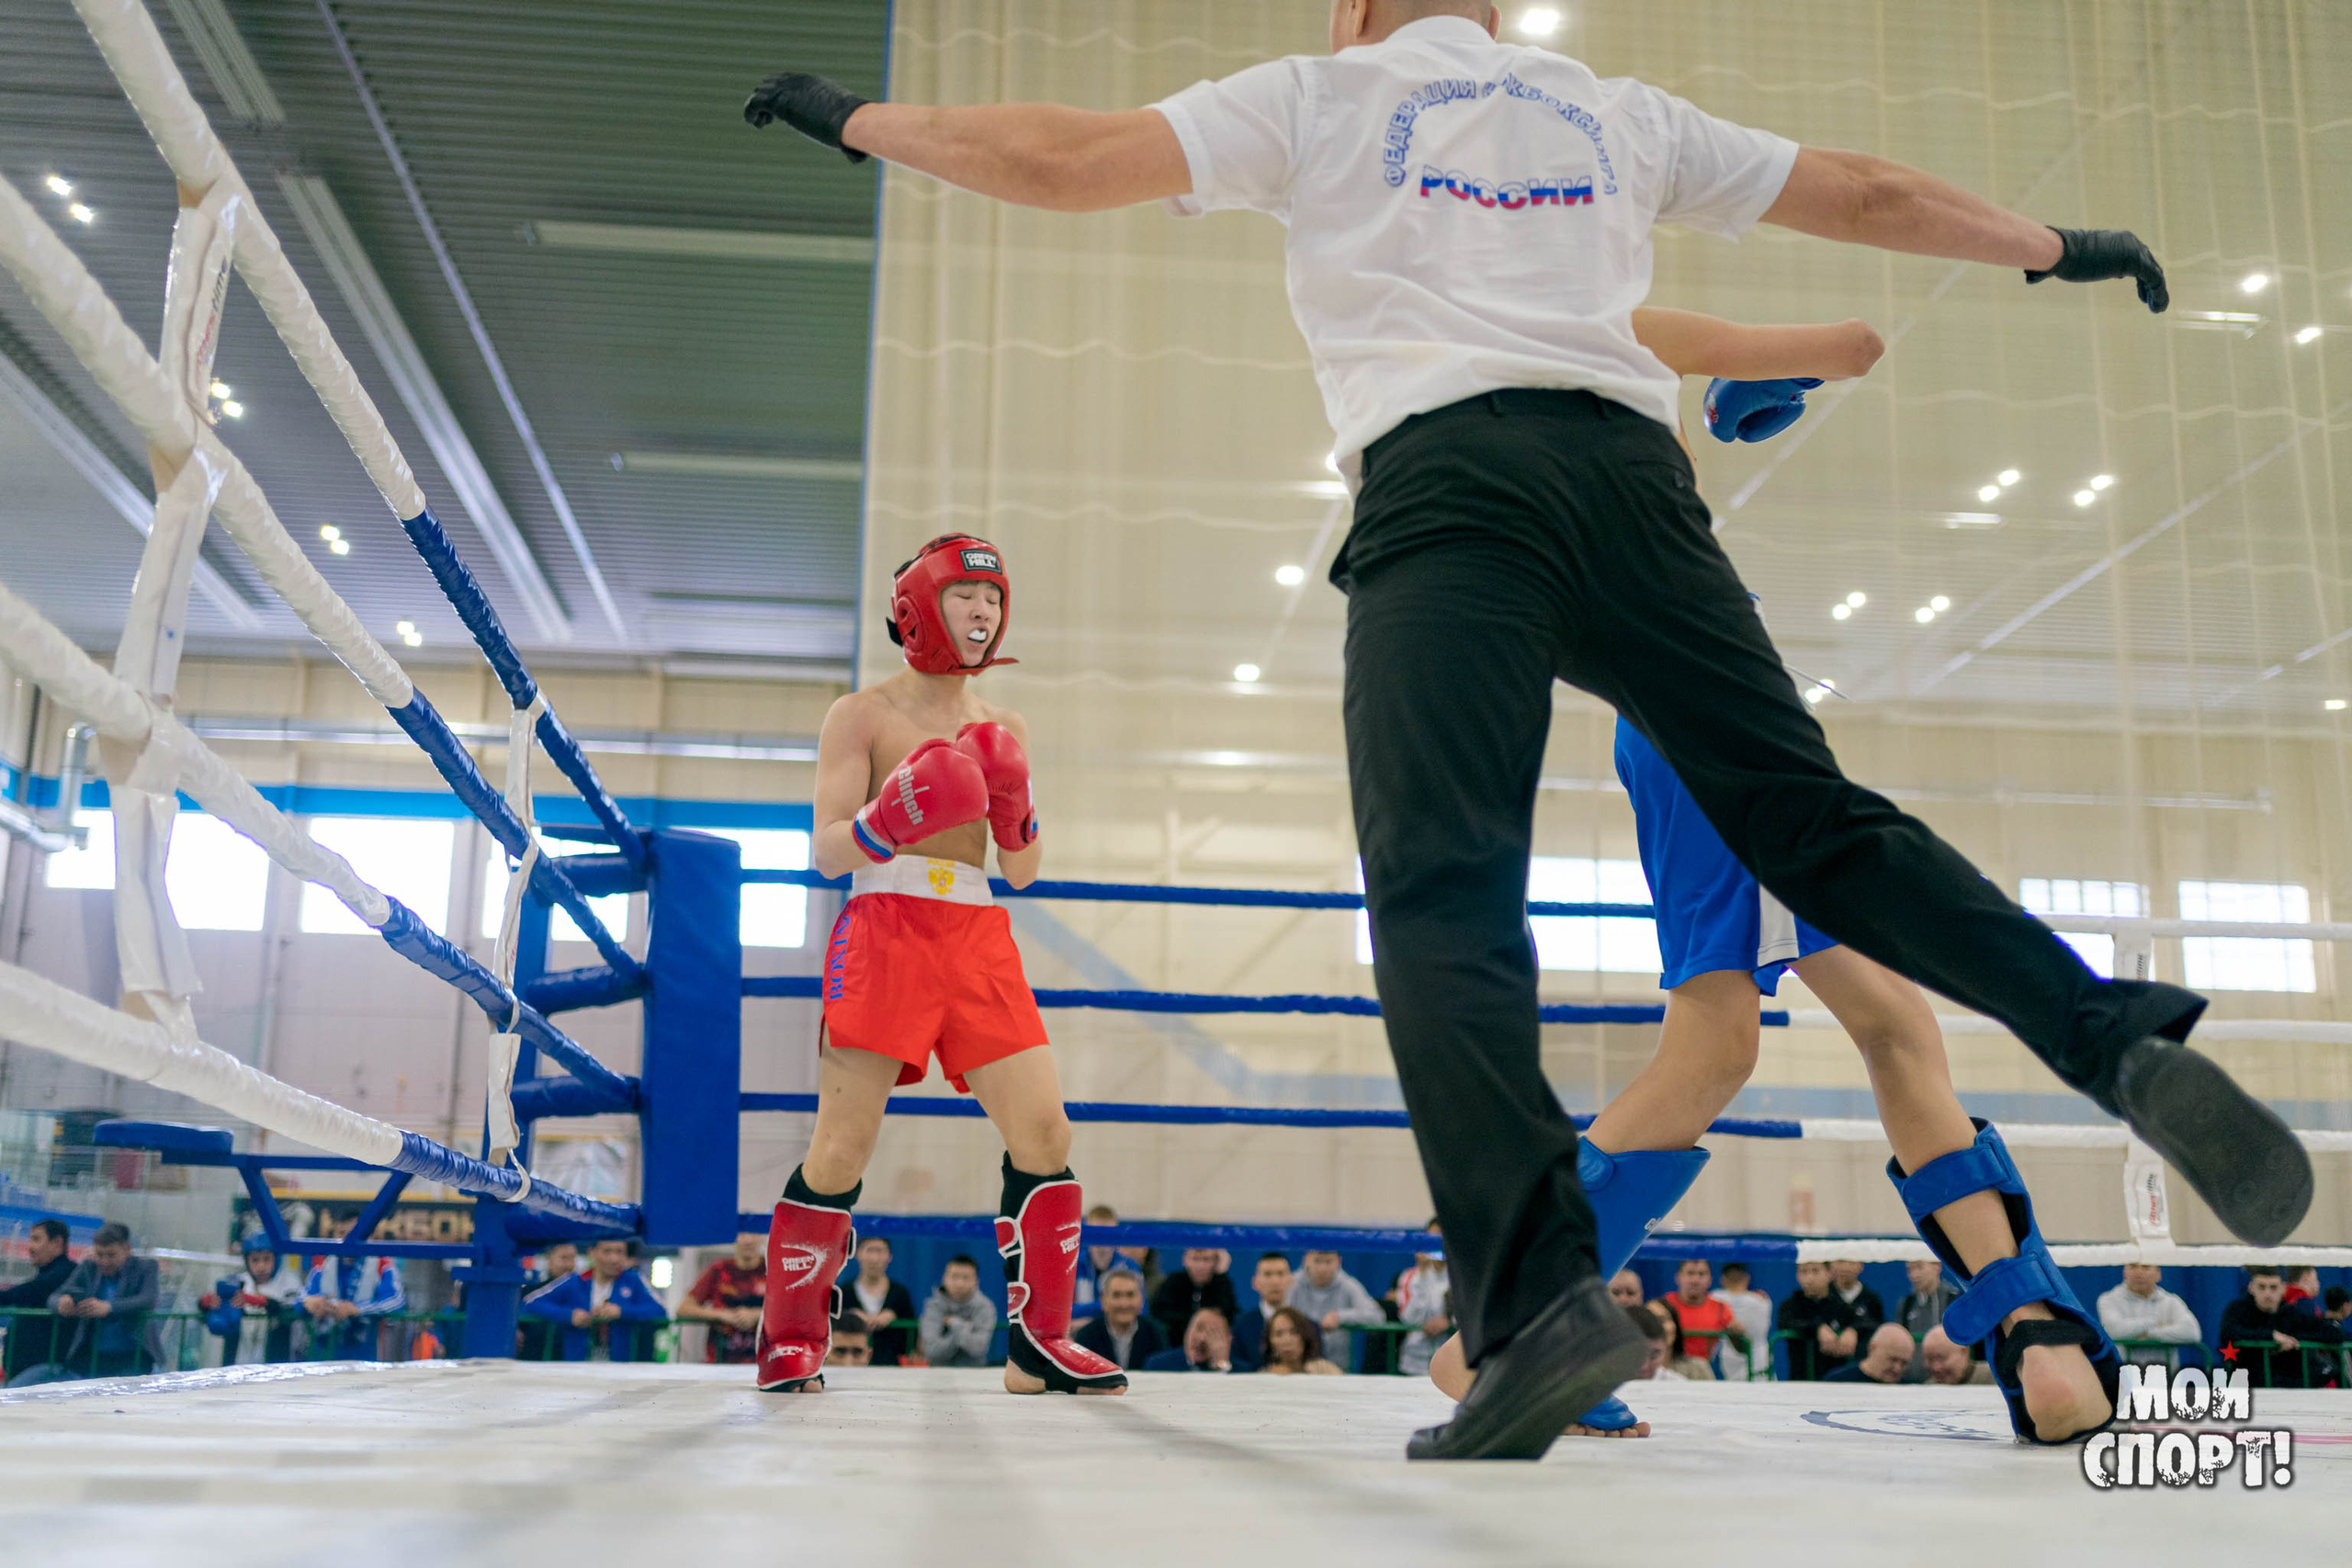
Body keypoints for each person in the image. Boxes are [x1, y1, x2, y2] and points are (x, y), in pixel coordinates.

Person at [743, 0, 2311, 1461]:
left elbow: (1059, 159)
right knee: (1815, 819)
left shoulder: (1323, 95)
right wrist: (2051, 243)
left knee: (1445, 890)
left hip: (1451, 496)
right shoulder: (1609, 112)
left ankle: (1538, 1304)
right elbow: (1869, 190)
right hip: (1632, 485)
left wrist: (861, 118)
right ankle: (2112, 1038)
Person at [752, 536, 1123, 1399]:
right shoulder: (862, 714)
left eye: (994, 600)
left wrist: (1015, 805)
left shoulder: (1006, 727)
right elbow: (825, 851)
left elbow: (1022, 871)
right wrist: (891, 816)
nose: (984, 612)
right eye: (964, 597)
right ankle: (793, 1335)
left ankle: (1038, 1347)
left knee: (1045, 1134)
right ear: (919, 607)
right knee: (843, 1145)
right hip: (884, 920)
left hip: (977, 929)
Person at [516, 1237, 667, 1362]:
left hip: (622, 1368)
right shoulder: (574, 1281)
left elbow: (660, 1311)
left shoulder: (634, 1281)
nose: (614, 1258)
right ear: (592, 1253)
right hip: (577, 1367)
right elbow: (530, 1303)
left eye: (620, 1252)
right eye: (607, 1251)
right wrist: (569, 1315)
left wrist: (622, 1312)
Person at [49, 1223, 161, 1379]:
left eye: (111, 1255)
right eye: (100, 1255)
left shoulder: (146, 1267)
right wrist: (61, 1303)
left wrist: (109, 1308)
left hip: (133, 1358)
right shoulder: (88, 1268)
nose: (104, 1261)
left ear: (127, 1249)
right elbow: (54, 1297)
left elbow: (148, 1299)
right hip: (91, 1358)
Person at [2217, 1266, 2346, 1390]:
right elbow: (2228, 1333)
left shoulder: (2291, 1313)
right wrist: (2272, 1337)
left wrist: (2293, 1340)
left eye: (2273, 1288)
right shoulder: (2237, 1310)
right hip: (2247, 1386)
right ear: (2251, 1288)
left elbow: (2334, 1333)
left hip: (2288, 1389)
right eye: (2262, 1287)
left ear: (2283, 1289)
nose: (2267, 1293)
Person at [199, 1241, 302, 1366]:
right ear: (247, 1261)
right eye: (255, 1260)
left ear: (276, 1259)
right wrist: (206, 1304)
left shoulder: (290, 1283)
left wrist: (259, 1301)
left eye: (267, 1259)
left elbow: (290, 1310)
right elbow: (216, 1319)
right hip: (239, 1358)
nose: (261, 1266)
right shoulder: (237, 1282)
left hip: (276, 1358)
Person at [1, 1217, 75, 1383]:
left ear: (57, 1243)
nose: (31, 1247)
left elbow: (28, 1291)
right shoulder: (48, 1274)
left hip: (45, 1368)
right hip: (27, 1367)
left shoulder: (65, 1274)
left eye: (36, 1239)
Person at [1286, 1250, 1385, 1372]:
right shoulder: (1291, 1283)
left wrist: (1340, 1317)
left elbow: (1377, 1316)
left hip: (1338, 1369)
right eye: (1317, 1261)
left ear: (1339, 1262)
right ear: (1305, 1261)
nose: (1322, 1268)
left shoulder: (1348, 1285)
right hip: (1297, 1368)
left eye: (1328, 1262)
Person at [677, 1232, 767, 1366]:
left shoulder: (773, 1270)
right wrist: (722, 1315)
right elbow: (683, 1309)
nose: (748, 1241)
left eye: (754, 1234)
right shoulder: (719, 1270)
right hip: (719, 1361)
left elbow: (791, 1312)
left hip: (765, 1362)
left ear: (762, 1237)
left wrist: (758, 1315)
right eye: (742, 1235)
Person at [302, 1248, 406, 1360]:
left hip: (365, 1353)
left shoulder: (381, 1266)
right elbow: (301, 1299)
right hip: (325, 1353)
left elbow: (396, 1302)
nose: (347, 1237)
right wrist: (309, 1302)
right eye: (341, 1233)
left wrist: (358, 1309)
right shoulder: (323, 1266)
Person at [2094, 1263, 2203, 1370]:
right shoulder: (2108, 1300)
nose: (2138, 1273)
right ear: (2124, 1272)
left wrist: (2151, 1334)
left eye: (2146, 1267)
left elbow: (2192, 1332)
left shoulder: (2171, 1301)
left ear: (2158, 1274)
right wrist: (2155, 1323)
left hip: (2165, 1382)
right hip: (2123, 1380)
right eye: (2133, 1267)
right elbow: (2114, 1331)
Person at [1657, 1259, 1747, 1379]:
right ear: (1678, 1277)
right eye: (1690, 1273)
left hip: (1701, 1371)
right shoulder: (1663, 1305)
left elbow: (1742, 1349)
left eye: (1701, 1274)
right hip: (1667, 1369)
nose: (1695, 1280)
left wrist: (1737, 1333)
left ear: (1710, 1279)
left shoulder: (1721, 1308)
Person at [1776, 1261, 1864, 1381]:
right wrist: (1818, 1329)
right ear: (1797, 1275)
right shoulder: (1790, 1305)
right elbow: (1785, 1323)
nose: (1809, 1278)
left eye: (1815, 1271)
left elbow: (1867, 1322)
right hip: (1802, 1381)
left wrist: (1853, 1330)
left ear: (1830, 1273)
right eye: (1804, 1272)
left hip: (1837, 1382)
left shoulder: (1840, 1305)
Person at [841, 1235, 916, 1366]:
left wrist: (894, 1316)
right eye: (870, 1251)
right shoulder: (843, 1292)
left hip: (890, 1366)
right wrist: (850, 1317)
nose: (874, 1259)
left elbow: (912, 1338)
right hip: (850, 1366)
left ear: (889, 1257)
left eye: (880, 1251)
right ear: (857, 1254)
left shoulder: (900, 1293)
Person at [1073, 1268, 1167, 1371]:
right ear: (1104, 1301)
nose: (1124, 1304)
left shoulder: (1156, 1332)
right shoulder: (1086, 1336)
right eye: (1116, 1295)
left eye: (1130, 1295)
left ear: (1141, 1300)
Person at [918, 1255, 999, 1369]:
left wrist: (954, 1324)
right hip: (937, 1374)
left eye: (966, 1278)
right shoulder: (933, 1306)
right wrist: (966, 1329)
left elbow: (979, 1348)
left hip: (975, 1374)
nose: (960, 1283)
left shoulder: (985, 1307)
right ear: (944, 1278)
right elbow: (931, 1351)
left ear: (976, 1281)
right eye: (954, 1277)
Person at [1150, 1248, 1238, 1345]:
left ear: (1215, 1263)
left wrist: (1221, 1276)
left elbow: (1228, 1314)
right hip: (1175, 1344)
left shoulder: (1221, 1285)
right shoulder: (1173, 1282)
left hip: (1212, 1345)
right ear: (1185, 1260)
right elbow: (1160, 1313)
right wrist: (1195, 1323)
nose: (1200, 1266)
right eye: (1195, 1259)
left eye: (1206, 1259)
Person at [1395, 1225, 1450, 1379]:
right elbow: (1409, 1318)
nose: (1436, 1244)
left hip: (1450, 1361)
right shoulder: (1410, 1277)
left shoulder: (1461, 1277)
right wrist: (1423, 1275)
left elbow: (1470, 1313)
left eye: (1440, 1239)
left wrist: (1449, 1322)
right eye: (1432, 1239)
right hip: (1414, 1362)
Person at [1229, 1252, 1293, 1374]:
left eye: (1280, 1274)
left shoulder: (1307, 1326)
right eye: (1267, 1274)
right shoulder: (1241, 1327)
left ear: (1290, 1280)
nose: (1275, 1281)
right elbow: (1235, 1365)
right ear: (1255, 1282)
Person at [1711, 1262, 1773, 1382]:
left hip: (1735, 1363)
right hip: (1760, 1365)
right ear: (1747, 1279)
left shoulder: (1715, 1299)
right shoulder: (1762, 1302)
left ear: (1723, 1280)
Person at [517, 1242, 578, 1361]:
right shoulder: (531, 1291)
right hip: (533, 1359)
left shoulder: (579, 1291)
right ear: (549, 1260)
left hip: (568, 1361)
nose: (569, 1264)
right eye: (564, 1258)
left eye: (572, 1258)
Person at [1142, 1308, 1234, 1373]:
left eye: (1213, 1332)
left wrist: (1220, 1364)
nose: (1202, 1338)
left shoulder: (1241, 1371)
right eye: (1199, 1328)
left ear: (1228, 1340)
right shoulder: (1158, 1366)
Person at [1825, 1322, 1917, 1384]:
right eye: (1893, 1359)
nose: (1897, 1368)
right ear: (1872, 1348)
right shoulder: (1838, 1382)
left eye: (1904, 1363)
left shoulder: (1907, 1390)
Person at [1261, 1306, 1342, 1375]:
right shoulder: (1263, 1377)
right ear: (1270, 1341)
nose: (1287, 1341)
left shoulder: (1326, 1371)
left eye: (1294, 1332)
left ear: (1304, 1336)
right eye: (1279, 1334)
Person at [1894, 1258, 1956, 1342]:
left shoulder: (1954, 1302)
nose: (1914, 1275)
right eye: (1909, 1269)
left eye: (1919, 1267)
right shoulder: (1906, 1305)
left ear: (1937, 1266)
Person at [1919, 1325, 1995, 1386]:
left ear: (1964, 1352)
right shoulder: (1929, 1389)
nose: (1936, 1368)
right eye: (1930, 1359)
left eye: (1942, 1358)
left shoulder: (1996, 1379)